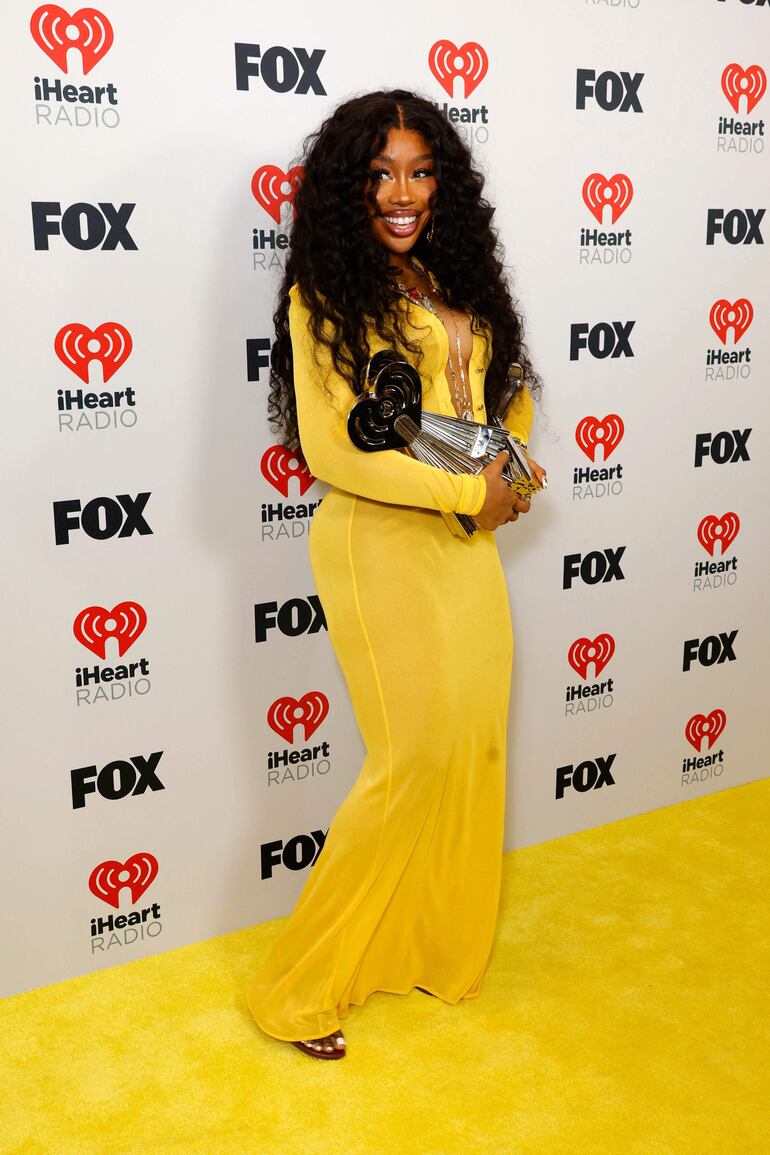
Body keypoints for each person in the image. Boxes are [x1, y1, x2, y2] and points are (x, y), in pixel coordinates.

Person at [246, 89, 545, 1059]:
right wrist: (469, 493)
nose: (402, 193)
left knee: (470, 746)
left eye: (420, 172)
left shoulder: (447, 276)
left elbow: (501, 396)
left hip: (464, 542)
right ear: (349, 188)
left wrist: (508, 465)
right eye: (380, 174)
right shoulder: (324, 296)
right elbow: (335, 451)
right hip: (377, 542)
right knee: (411, 757)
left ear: (443, 183)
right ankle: (299, 990)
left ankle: (427, 947)